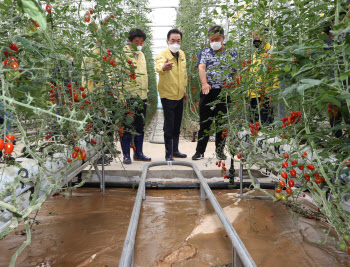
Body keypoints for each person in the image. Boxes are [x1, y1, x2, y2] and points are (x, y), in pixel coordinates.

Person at [192, 25, 238, 161]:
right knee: (205, 122)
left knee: (221, 124)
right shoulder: (204, 52)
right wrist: (204, 83)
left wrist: (233, 87)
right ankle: (199, 152)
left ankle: (220, 152)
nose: (214, 42)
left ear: (223, 38)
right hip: (208, 91)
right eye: (211, 39)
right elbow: (201, 67)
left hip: (224, 92)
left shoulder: (232, 53)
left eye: (217, 39)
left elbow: (235, 71)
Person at [155, 29, 188, 161]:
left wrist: (184, 91)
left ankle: (175, 151)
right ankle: (168, 154)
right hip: (168, 95)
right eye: (173, 40)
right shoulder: (163, 54)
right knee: (169, 125)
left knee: (177, 124)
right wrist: (163, 67)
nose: (175, 43)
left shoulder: (182, 54)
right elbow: (158, 66)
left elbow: (183, 74)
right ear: (167, 41)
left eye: (178, 41)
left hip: (179, 95)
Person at [119, 28, 151, 164]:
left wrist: (146, 93)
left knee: (139, 126)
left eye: (141, 42)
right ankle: (126, 155)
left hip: (141, 97)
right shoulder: (122, 55)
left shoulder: (141, 55)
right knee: (126, 126)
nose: (139, 45)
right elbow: (117, 76)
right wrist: (121, 98)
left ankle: (138, 153)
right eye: (136, 42)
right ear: (129, 41)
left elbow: (145, 75)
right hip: (128, 97)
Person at [248, 26, 278, 125]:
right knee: (255, 123)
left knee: (266, 123)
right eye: (253, 36)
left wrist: (272, 94)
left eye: (257, 35)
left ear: (265, 36)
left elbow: (275, 74)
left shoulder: (272, 51)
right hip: (254, 94)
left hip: (265, 94)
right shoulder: (256, 53)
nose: (255, 39)